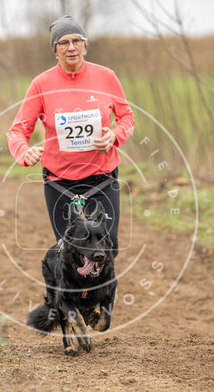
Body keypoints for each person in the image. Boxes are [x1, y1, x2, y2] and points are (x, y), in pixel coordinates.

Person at [7, 15, 134, 256]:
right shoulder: (41, 84)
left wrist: (115, 136)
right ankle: (72, 283)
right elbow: (17, 131)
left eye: (77, 40)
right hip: (59, 181)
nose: (71, 47)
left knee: (106, 246)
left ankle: (100, 282)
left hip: (101, 177)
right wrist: (24, 152)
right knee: (71, 251)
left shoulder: (106, 77)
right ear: (55, 50)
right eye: (63, 42)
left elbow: (127, 117)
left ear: (85, 45)